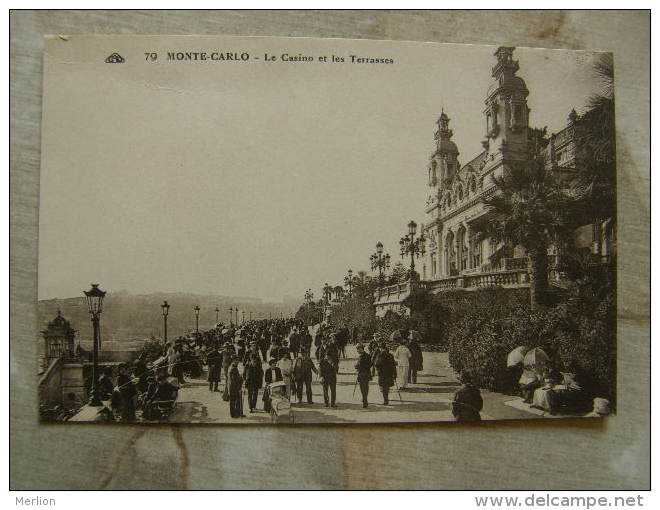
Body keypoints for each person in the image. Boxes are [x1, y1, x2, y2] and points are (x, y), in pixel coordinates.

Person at [355, 343, 372, 408]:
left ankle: (365, 400)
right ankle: (364, 398)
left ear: (361, 349)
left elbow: (362, 365)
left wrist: (357, 367)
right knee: (366, 387)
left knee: (362, 387)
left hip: (362, 374)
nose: (357, 351)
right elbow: (370, 364)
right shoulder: (367, 355)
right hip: (366, 373)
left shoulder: (362, 356)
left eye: (358, 349)